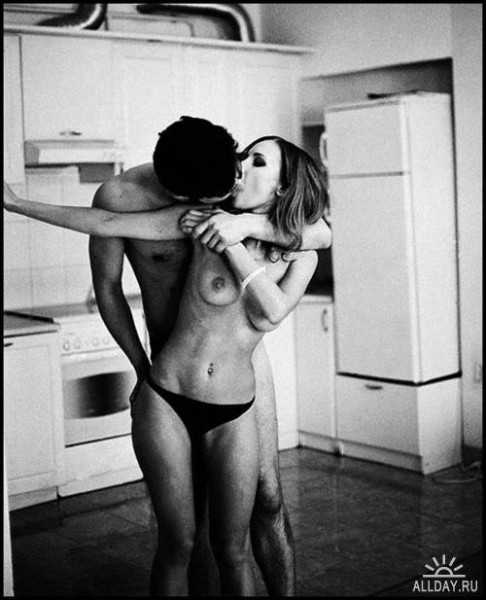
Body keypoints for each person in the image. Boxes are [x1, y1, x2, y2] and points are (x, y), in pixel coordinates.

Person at [4, 118, 331, 595]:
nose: (239, 172)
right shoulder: (183, 208)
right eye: (243, 159)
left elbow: (315, 238)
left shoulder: (242, 208)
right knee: (185, 533)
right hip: (171, 373)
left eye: (253, 161)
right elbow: (106, 230)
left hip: (241, 374)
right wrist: (15, 202)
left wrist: (243, 226)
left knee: (263, 505)